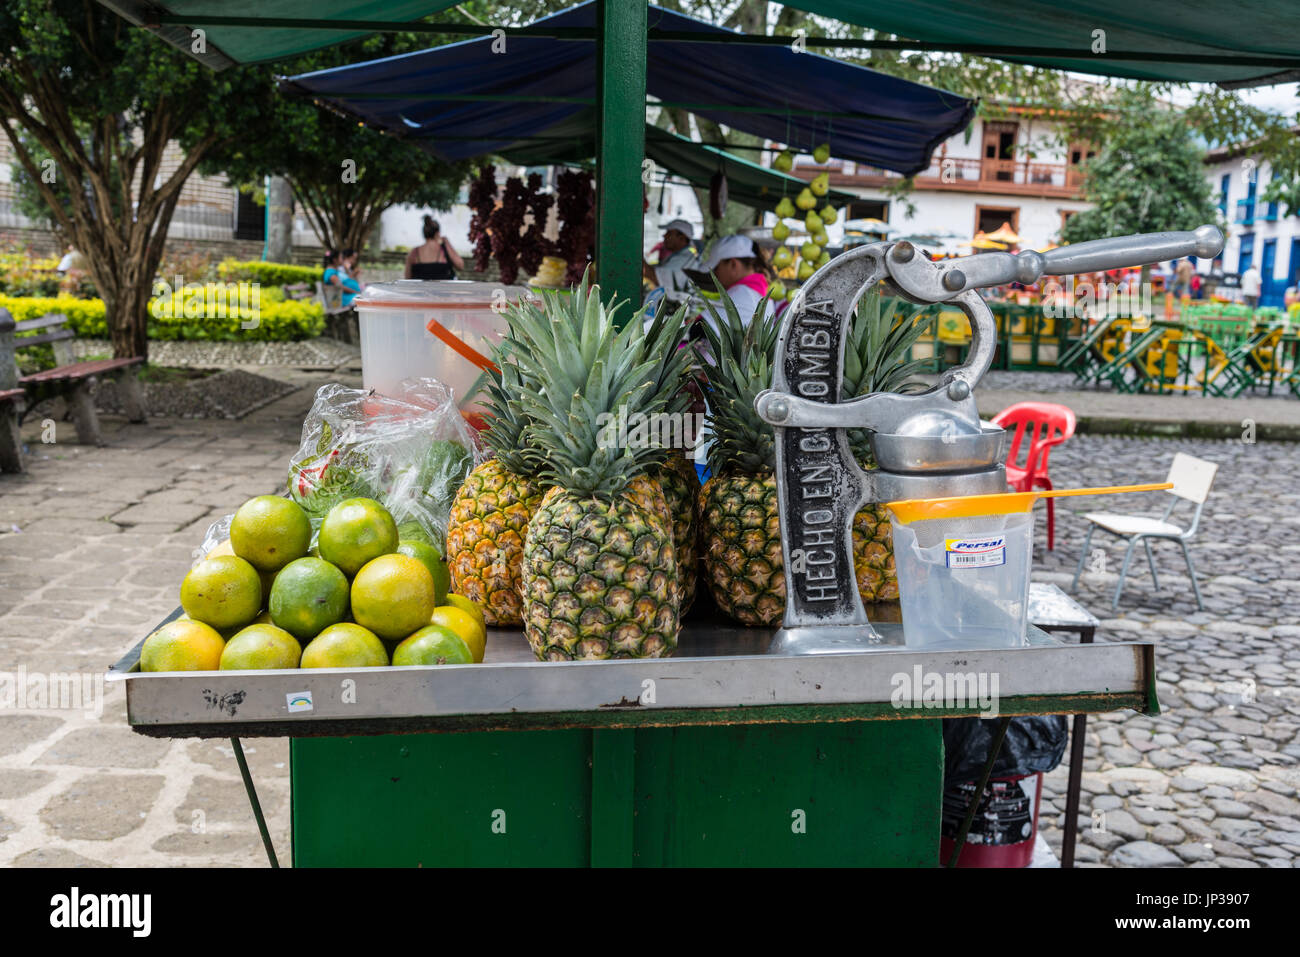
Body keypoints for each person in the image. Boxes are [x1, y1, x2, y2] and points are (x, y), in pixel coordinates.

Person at [686, 234, 776, 333]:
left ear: (733, 264)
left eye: (716, 268)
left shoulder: (742, 293)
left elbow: (699, 332)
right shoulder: (758, 290)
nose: (714, 274)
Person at [642, 219, 696, 298]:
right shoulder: (681, 255)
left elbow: (654, 276)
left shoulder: (683, 259)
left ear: (682, 238)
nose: (664, 236)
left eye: (669, 233)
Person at [405, 215, 464, 280]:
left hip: (419, 289)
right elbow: (460, 266)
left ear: (424, 233)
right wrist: (446, 243)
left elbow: (407, 278)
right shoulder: (444, 249)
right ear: (438, 233)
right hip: (443, 289)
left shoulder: (414, 253)